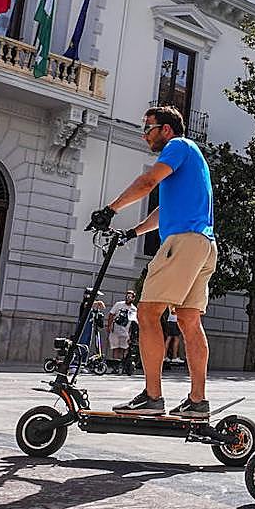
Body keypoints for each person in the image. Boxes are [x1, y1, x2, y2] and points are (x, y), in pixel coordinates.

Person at [88, 105, 216, 419]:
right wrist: (132, 232)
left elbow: (147, 182)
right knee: (188, 321)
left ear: (166, 129)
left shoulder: (177, 147)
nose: (145, 135)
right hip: (203, 244)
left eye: (149, 128)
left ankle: (152, 396)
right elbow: (165, 212)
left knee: (147, 313)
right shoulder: (191, 158)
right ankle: (197, 401)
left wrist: (111, 209)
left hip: (183, 243)